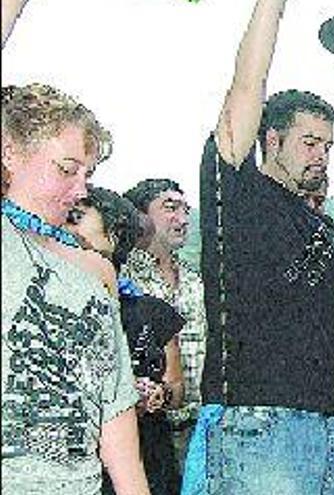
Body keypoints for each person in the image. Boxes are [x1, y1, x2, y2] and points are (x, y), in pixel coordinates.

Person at [195, 0, 334, 492]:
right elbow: (246, 86)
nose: (322, 155)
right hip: (260, 425)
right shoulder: (237, 192)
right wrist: (271, 8)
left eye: (327, 144)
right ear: (270, 140)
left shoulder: (331, 232)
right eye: (310, 142)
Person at [1, 82, 148, 493]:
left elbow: (114, 408)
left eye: (88, 174)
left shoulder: (96, 271)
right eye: (66, 169)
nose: (81, 189)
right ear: (10, 152)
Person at [67, 185, 187, 495]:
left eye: (76, 217)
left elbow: (176, 389)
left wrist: (155, 392)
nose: (64, 226)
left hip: (146, 461)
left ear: (114, 235)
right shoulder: (51, 308)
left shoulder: (152, 312)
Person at [120, 178, 206, 473]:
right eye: (170, 208)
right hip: (146, 432)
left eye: (185, 209)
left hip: (201, 427)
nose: (182, 219)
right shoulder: (122, 278)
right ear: (140, 217)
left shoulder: (197, 278)